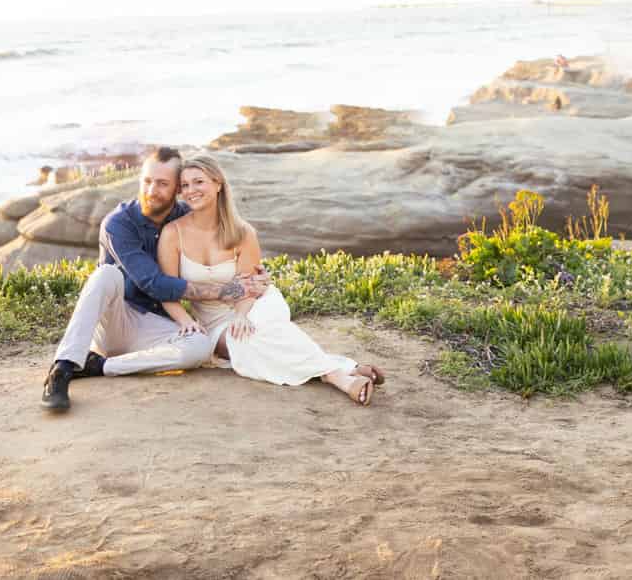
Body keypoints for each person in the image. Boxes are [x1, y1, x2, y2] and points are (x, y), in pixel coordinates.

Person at [40, 146, 271, 412]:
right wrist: (226, 290)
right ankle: (63, 368)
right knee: (107, 274)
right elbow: (154, 283)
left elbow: (226, 244)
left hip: (155, 324)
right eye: (147, 181)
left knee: (199, 346)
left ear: (177, 190)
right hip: (117, 317)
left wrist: (256, 275)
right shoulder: (118, 223)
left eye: (162, 184)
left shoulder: (186, 219)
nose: (152, 190)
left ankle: (99, 365)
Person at [157, 154, 386, 406]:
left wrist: (243, 314)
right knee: (246, 342)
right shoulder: (172, 233)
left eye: (198, 182)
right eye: (185, 185)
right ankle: (345, 367)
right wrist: (186, 321)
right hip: (215, 322)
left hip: (255, 303)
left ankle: (338, 379)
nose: (191, 191)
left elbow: (250, 287)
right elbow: (165, 289)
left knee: (256, 332)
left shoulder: (243, 233)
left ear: (218, 183)